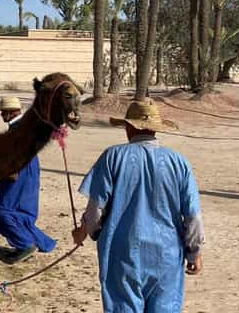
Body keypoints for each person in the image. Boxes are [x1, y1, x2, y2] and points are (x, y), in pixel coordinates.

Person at [72, 100, 204, 312]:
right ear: (155, 129)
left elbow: (95, 210)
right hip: (168, 255)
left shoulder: (112, 156)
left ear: (129, 127)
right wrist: (194, 252)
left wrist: (89, 232)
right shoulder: (179, 162)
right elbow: (193, 216)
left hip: (122, 252)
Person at [0, 96, 56, 263]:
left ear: (11, 112)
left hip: (18, 170)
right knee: (23, 210)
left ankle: (26, 244)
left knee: (5, 210)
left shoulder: (17, 128)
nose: (1, 116)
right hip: (30, 169)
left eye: (3, 113)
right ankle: (38, 243)